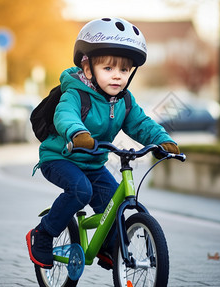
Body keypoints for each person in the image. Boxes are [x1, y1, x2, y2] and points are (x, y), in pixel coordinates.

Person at [26, 17, 179, 270]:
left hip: (93, 162)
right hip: (60, 158)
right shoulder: (74, 94)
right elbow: (66, 116)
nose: (117, 76)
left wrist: (163, 141)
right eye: (108, 69)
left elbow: (142, 124)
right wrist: (77, 134)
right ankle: (43, 233)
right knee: (81, 190)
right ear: (88, 69)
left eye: (124, 70)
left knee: (115, 201)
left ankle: (108, 246)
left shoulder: (124, 101)